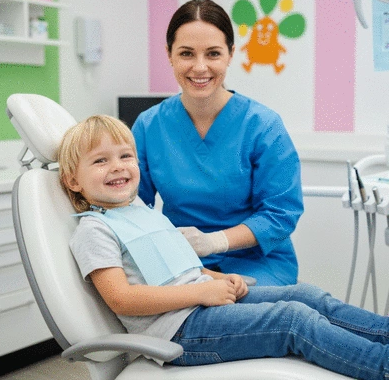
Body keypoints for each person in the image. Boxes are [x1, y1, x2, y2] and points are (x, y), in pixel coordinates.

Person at [58, 115, 389, 380]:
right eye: (101, 160)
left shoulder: (141, 213)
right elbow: (122, 299)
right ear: (73, 181)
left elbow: (178, 268)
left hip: (202, 304)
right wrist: (201, 294)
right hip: (179, 332)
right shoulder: (95, 229)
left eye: (125, 156)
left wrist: (218, 279)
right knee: (293, 320)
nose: (117, 166)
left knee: (307, 296)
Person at [131, 0, 303, 286]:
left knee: (246, 313)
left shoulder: (262, 126)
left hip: (257, 265)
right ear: (169, 55)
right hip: (180, 263)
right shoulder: (148, 127)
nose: (200, 68)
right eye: (186, 53)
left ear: (231, 54)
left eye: (213, 54)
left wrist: (215, 241)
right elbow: (132, 204)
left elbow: (281, 214)